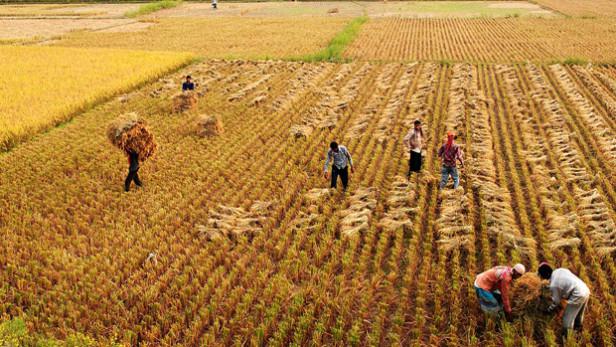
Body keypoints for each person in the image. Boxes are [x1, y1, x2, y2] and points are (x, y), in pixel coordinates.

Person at [538, 262, 590, 341]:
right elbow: (564, 283)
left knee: (567, 320)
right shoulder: (560, 270)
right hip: (585, 289)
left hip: (577, 294)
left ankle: (567, 340)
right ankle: (578, 332)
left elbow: (556, 302)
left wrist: (548, 310)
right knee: (578, 315)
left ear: (545, 276)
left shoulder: (554, 285)